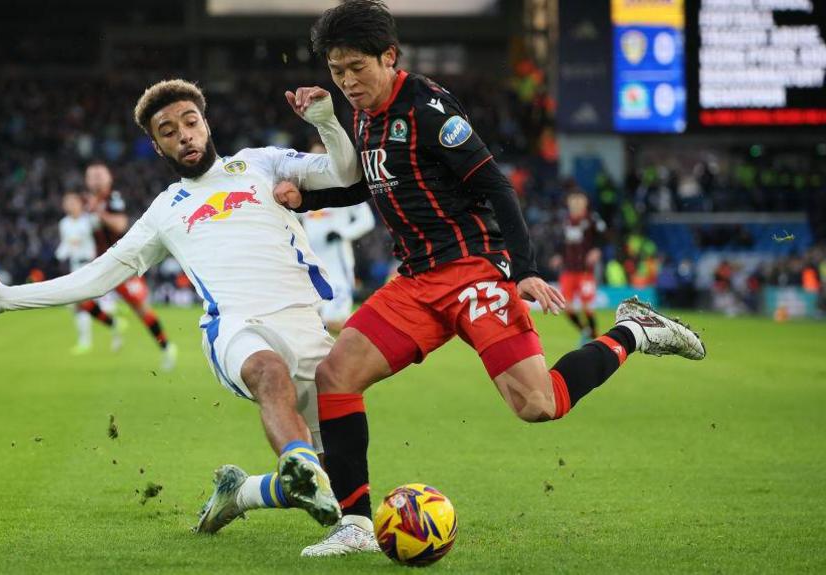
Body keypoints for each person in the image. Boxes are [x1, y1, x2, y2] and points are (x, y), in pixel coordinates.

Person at [273, 0, 706, 556]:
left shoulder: (427, 109)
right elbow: (373, 182)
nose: (348, 81)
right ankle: (355, 524)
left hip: (473, 270)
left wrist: (521, 271)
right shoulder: (362, 114)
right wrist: (308, 198)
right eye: (337, 72)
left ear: (389, 56)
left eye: (358, 67)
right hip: (417, 281)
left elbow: (497, 185)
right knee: (335, 377)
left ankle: (633, 332)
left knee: (538, 404)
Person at [0, 79, 363, 535]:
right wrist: (10, 296)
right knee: (268, 372)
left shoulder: (261, 163)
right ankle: (296, 461)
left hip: (303, 324)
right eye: (168, 131)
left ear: (206, 125)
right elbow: (99, 274)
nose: (184, 135)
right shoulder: (164, 211)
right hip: (234, 328)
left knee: (324, 474)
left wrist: (326, 120)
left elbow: (345, 174)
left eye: (190, 122)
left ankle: (241, 492)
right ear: (157, 146)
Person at [82, 162, 178, 371]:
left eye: (100, 174)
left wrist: (99, 213)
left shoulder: (112, 199)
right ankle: (114, 324)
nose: (97, 178)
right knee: (79, 299)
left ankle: (167, 347)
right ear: (87, 180)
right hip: (99, 263)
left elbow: (120, 225)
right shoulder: (87, 202)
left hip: (121, 263)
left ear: (109, 178)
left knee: (140, 309)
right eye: (93, 175)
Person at [298, 144, 376, 331]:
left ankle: (365, 332)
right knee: (314, 321)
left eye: (320, 156)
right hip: (311, 261)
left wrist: (343, 233)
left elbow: (367, 220)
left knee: (336, 321)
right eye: (312, 156)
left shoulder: (343, 189)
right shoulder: (302, 192)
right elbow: (290, 220)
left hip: (337, 261)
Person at [55, 191, 124, 354]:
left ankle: (113, 326)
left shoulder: (89, 220)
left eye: (72, 202)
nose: (69, 205)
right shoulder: (63, 223)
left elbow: (105, 233)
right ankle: (90, 339)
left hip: (91, 265)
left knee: (88, 303)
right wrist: (59, 254)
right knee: (79, 305)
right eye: (67, 203)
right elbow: (66, 245)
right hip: (74, 266)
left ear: (80, 203)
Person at [550, 189, 605, 344]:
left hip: (585, 271)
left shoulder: (592, 220)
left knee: (587, 307)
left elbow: (602, 237)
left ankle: (595, 336)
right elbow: (560, 241)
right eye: (573, 204)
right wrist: (558, 255)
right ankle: (585, 331)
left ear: (584, 205)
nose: (575, 207)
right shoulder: (565, 222)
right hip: (568, 270)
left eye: (578, 203)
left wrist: (596, 250)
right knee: (566, 308)